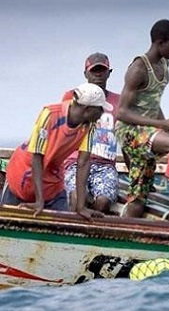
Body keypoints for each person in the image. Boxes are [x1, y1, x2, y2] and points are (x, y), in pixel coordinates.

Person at [115, 19, 169, 227]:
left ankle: (122, 234)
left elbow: (153, 102)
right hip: (129, 132)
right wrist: (160, 125)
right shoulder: (138, 69)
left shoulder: (164, 63)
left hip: (148, 132)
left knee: (137, 200)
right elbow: (122, 113)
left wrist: (164, 124)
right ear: (159, 43)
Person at [1, 83, 111, 220]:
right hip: (24, 173)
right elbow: (37, 155)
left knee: (62, 222)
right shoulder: (50, 114)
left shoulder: (89, 125)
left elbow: (83, 162)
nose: (102, 113)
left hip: (52, 177)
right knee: (10, 221)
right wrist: (39, 201)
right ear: (88, 109)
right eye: (100, 109)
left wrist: (81, 207)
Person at [62, 53, 120, 214]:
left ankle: (92, 233)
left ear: (109, 72)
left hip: (105, 165)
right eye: (94, 71)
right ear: (86, 73)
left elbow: (127, 138)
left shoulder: (120, 102)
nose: (98, 75)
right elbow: (61, 132)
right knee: (77, 198)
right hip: (75, 162)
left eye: (102, 70)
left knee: (102, 203)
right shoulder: (72, 97)